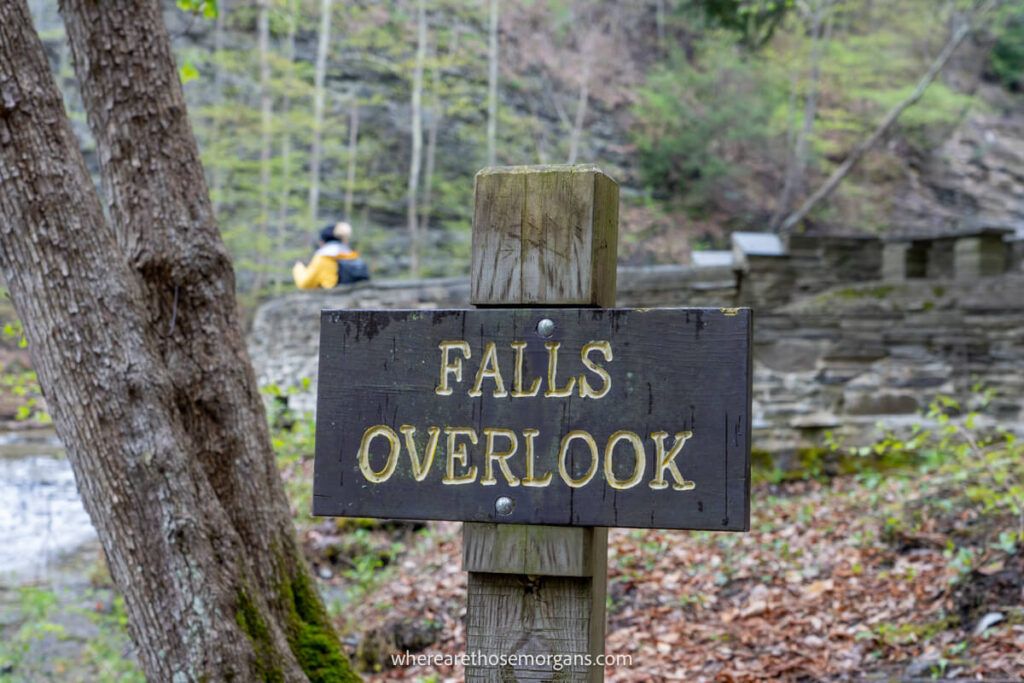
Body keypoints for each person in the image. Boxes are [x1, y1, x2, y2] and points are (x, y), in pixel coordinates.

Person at [292, 221, 370, 289]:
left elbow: (305, 284)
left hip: (332, 300)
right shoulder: (352, 256)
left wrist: (298, 268)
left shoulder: (323, 258)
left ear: (322, 242)